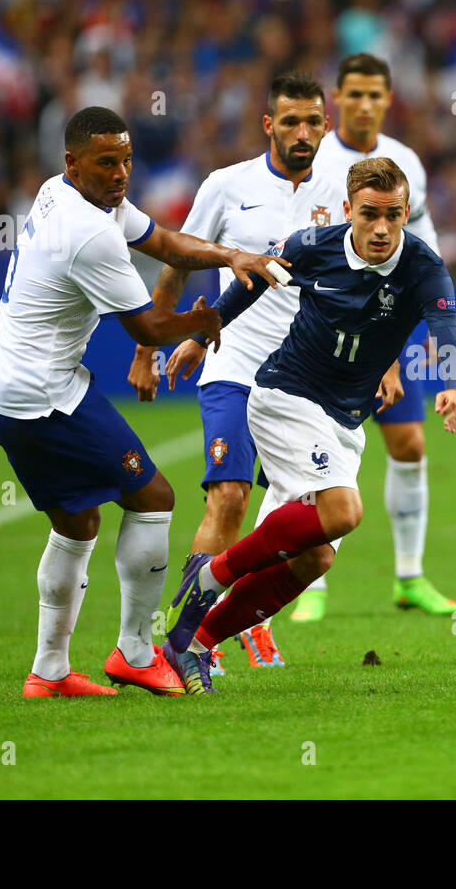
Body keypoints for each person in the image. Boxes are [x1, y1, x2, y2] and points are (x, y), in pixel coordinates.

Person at [0, 106, 286, 698]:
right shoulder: (86, 234)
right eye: (106, 163)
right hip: (42, 394)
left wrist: (230, 257)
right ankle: (136, 654)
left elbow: (162, 240)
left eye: (126, 160)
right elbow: (146, 329)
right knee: (154, 497)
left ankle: (49, 672)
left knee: (78, 520)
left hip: (1, 389)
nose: (120, 173)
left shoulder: (63, 194)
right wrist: (203, 318)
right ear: (74, 164)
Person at [157, 157, 456, 694]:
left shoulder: (424, 266)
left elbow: (445, 327)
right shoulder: (310, 246)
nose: (381, 227)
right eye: (369, 214)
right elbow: (251, 285)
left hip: (345, 421)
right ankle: (208, 578)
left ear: (406, 213)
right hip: (286, 394)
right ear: (348, 209)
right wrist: (200, 333)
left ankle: (194, 643)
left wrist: (455, 384)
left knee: (315, 558)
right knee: (343, 511)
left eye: (393, 215)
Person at [126, 71, 349, 670]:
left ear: (326, 125)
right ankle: (185, 637)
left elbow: (365, 277)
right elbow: (177, 262)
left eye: (313, 122)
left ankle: (239, 624)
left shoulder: (344, 189)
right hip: (235, 362)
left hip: (308, 382)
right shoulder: (228, 186)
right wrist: (150, 346)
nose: (303, 133)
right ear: (268, 124)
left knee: (313, 535)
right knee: (227, 496)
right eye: (291, 121)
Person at [287, 52, 456, 622]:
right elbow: (308, 254)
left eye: (375, 95)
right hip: (321, 339)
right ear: (337, 97)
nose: (364, 105)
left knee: (409, 444)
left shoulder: (405, 161)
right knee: (320, 459)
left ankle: (409, 577)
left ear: (388, 100)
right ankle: (309, 586)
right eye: (353, 94)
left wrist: (421, 335)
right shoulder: (315, 159)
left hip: (383, 333)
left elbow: (420, 247)